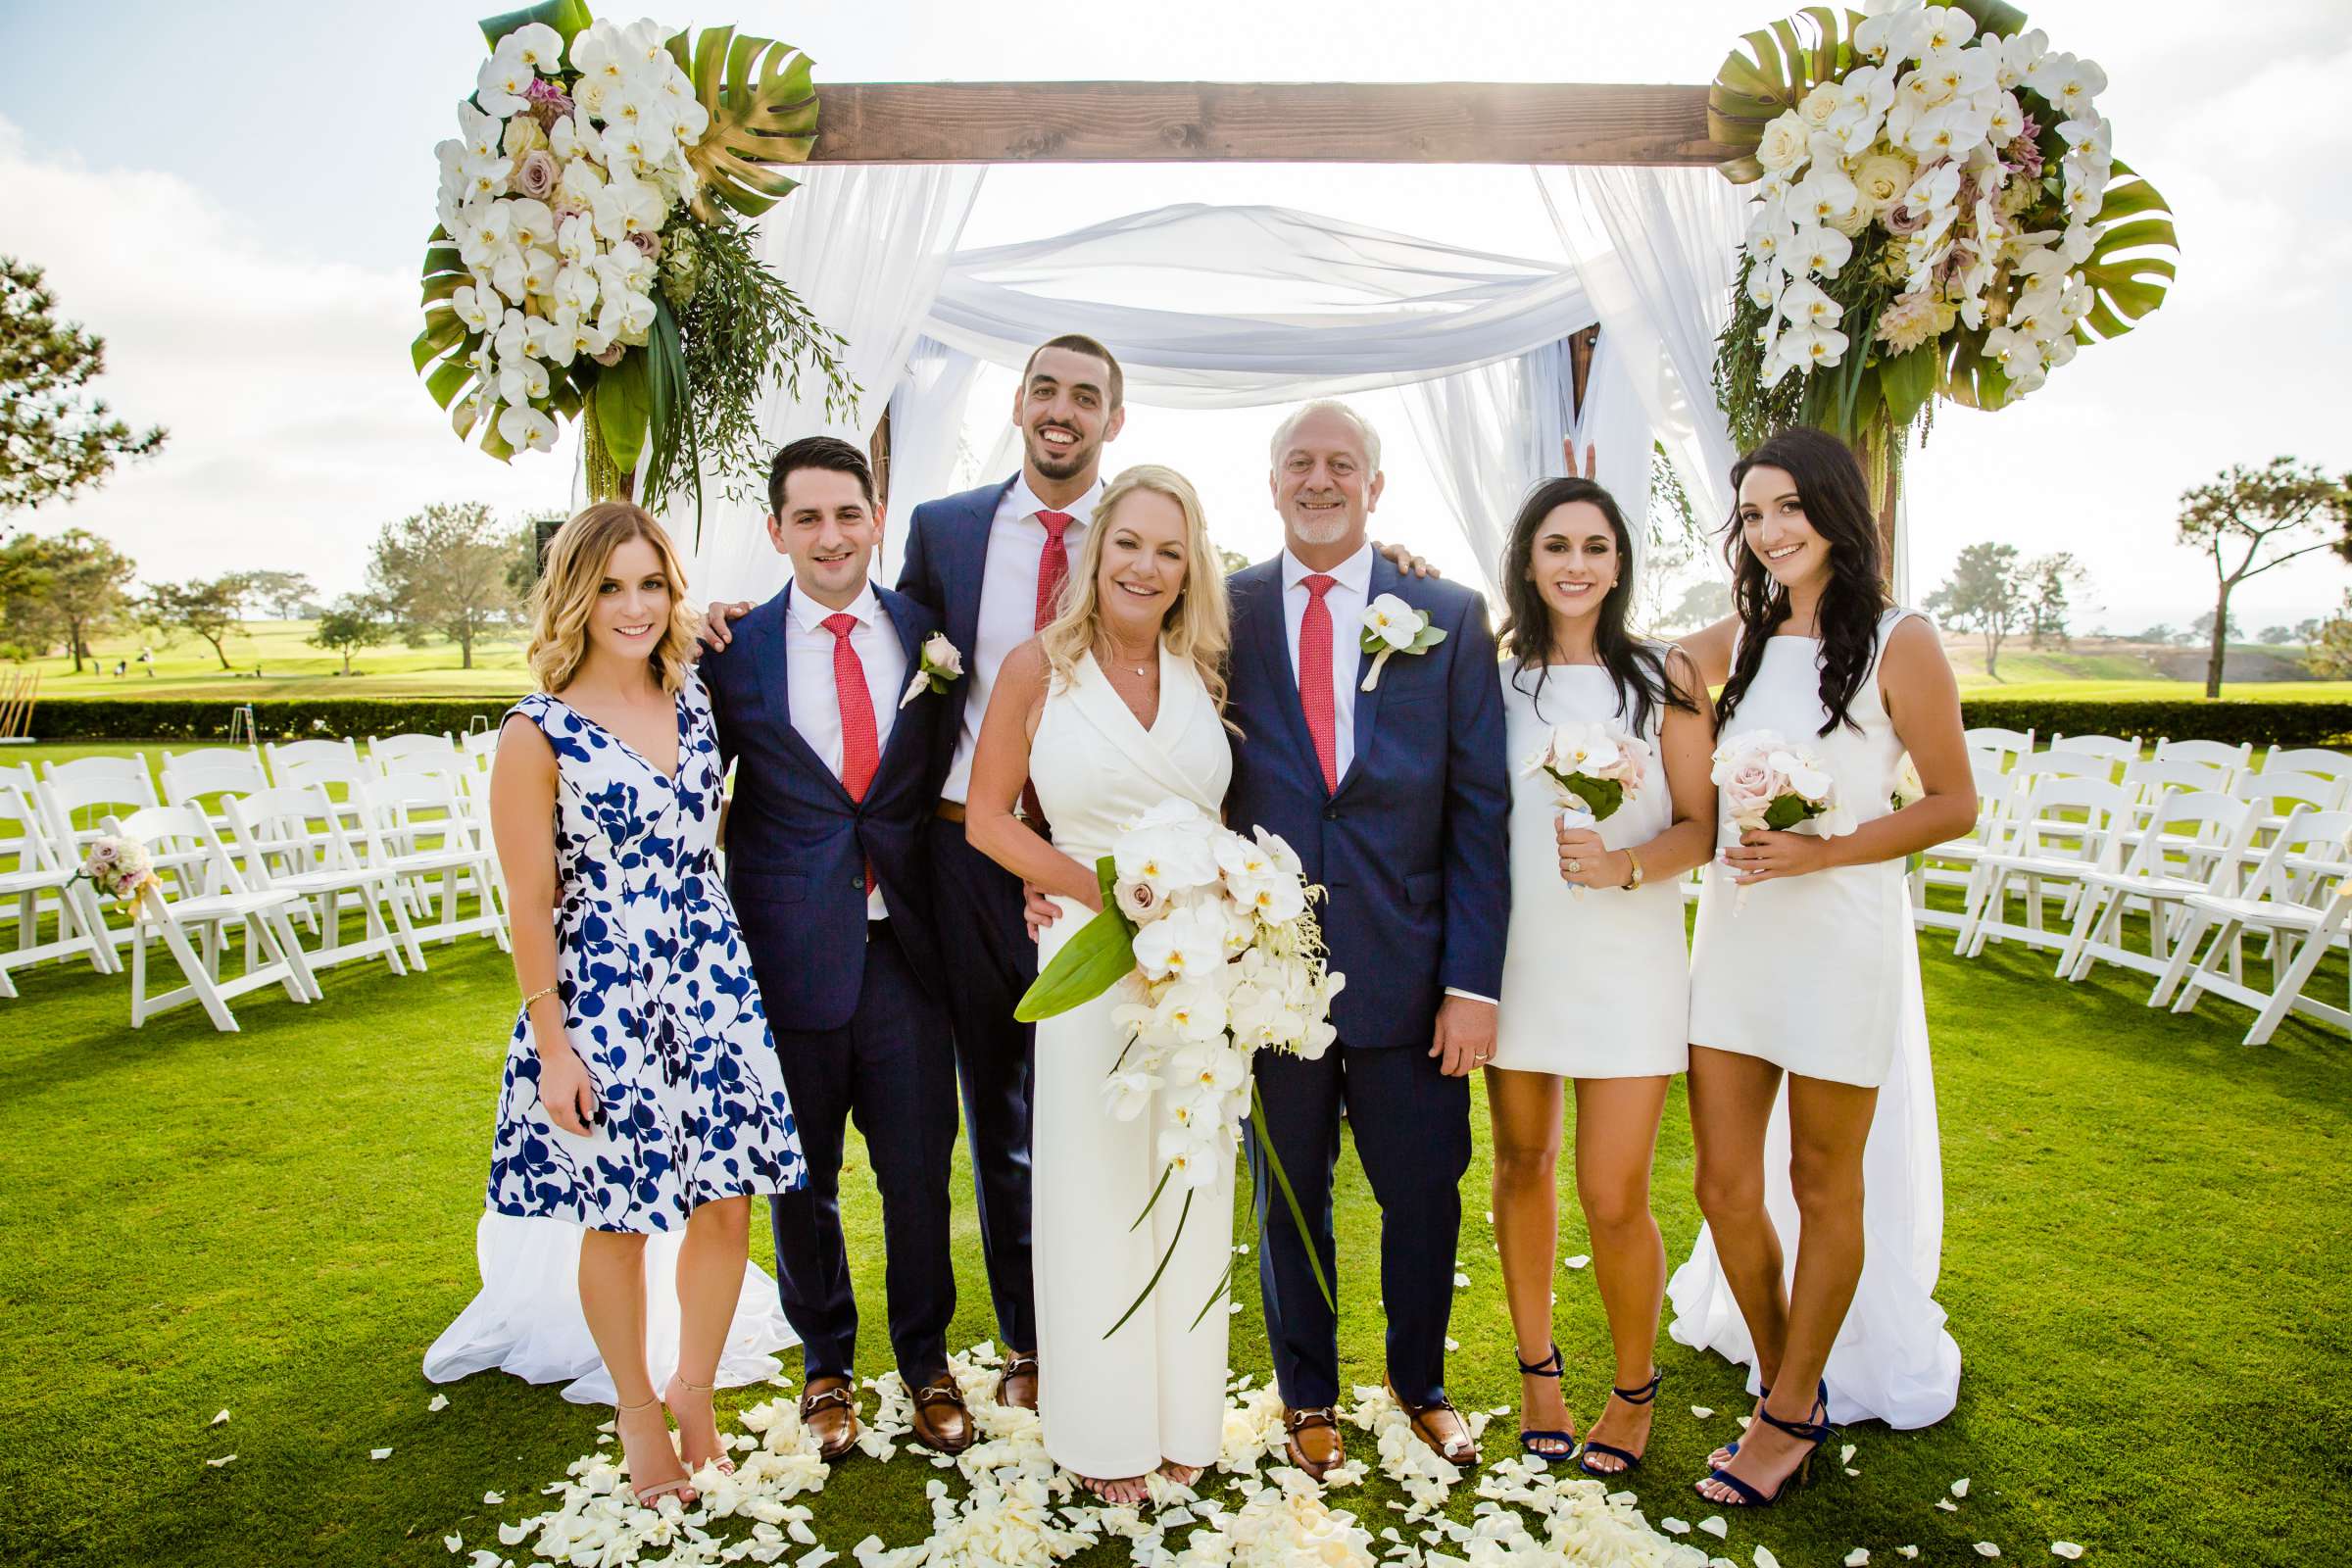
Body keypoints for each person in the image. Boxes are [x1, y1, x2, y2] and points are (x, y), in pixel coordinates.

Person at [474, 503, 808, 1508]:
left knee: (725, 1197)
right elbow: (528, 904)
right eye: (611, 585)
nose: (633, 604)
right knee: (616, 1215)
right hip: (604, 991)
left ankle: (692, 1388)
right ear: (575, 593)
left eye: (651, 583)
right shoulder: (536, 733)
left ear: (675, 591)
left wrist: (732, 619)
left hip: (709, 972)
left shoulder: (698, 695)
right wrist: (553, 1050)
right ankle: (634, 1408)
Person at [1674, 428, 1974, 1507]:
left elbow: (1952, 801)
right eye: (1753, 514)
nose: (1771, 530)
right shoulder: (1738, 640)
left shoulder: (1904, 640)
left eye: (1789, 506)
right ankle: (1780, 1367)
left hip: (1841, 937)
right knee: (1720, 1180)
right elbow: (1635, 663)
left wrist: (1825, 847)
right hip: (1739, 937)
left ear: (1840, 511)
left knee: (1817, 1177)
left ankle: (1792, 1405)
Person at [1224, 400, 1509, 1478]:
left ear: (1375, 487)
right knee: (1288, 1192)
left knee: (1423, 1188)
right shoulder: (1225, 609)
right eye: (1300, 461)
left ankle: (1420, 1379)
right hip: (1272, 978)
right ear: (1273, 480)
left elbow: (1480, 809)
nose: (1321, 479)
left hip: (1412, 963)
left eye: (1343, 463)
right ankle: (1307, 1393)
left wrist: (1471, 982)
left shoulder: (1445, 609)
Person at [965, 465, 1237, 1503]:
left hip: (1200, 970)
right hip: (1089, 955)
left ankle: (1181, 1418)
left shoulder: (1198, 671)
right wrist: (1101, 897)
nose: (1147, 565)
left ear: (1189, 568)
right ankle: (1100, 1427)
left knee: (1187, 1183)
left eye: (1170, 550)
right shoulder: (1041, 668)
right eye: (1130, 542)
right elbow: (990, 818)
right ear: (1097, 550)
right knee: (1095, 1187)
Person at [698, 437, 970, 1461]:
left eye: (846, 514)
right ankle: (825, 1367)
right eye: (806, 518)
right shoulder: (734, 652)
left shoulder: (929, 633)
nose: (829, 535)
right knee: (801, 1179)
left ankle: (925, 1359)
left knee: (916, 1172)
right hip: (784, 953)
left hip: (908, 950)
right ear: (776, 532)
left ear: (875, 518)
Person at [1488, 469, 1715, 1472]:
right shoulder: (1488, 677)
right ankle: (1539, 1368)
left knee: (1614, 1191)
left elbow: (1702, 826)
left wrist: (1626, 864)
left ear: (1620, 563)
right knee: (1522, 1163)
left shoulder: (1663, 677)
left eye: (1596, 547)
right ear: (1527, 562)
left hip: (1629, 960)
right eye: (1556, 547)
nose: (1576, 565)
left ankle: (1633, 1389)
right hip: (1520, 956)